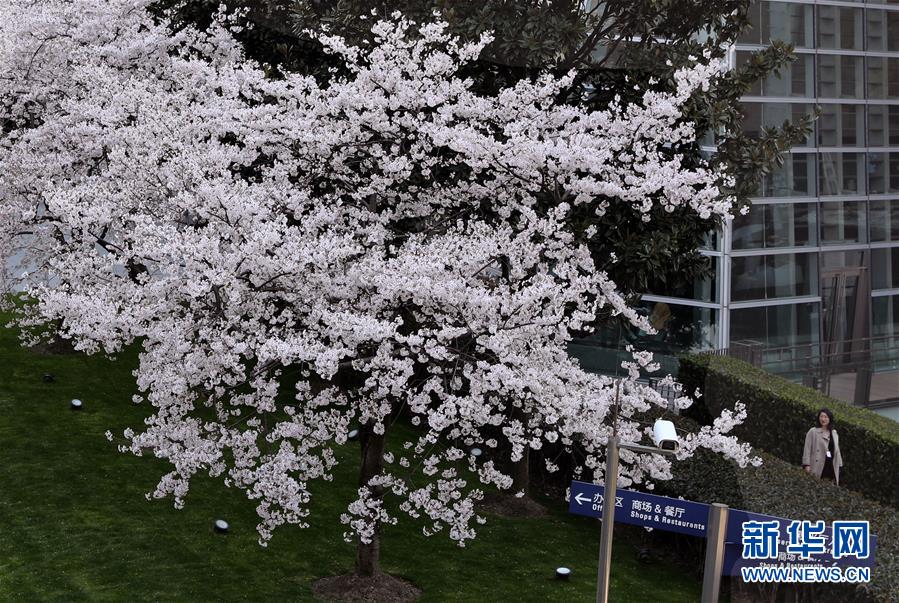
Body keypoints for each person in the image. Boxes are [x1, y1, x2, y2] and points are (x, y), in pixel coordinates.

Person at [802, 408, 843, 485]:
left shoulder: (834, 433)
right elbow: (807, 449)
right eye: (821, 416)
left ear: (830, 419)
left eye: (826, 417)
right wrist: (806, 465)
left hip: (831, 465)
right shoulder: (813, 431)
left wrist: (840, 465)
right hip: (818, 465)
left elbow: (837, 450)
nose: (823, 419)